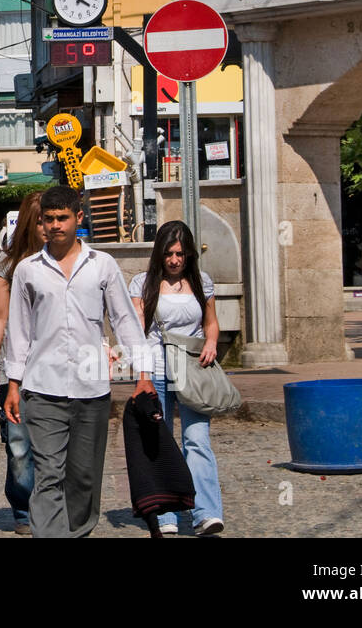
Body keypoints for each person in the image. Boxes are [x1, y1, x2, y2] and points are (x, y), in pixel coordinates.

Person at [4, 186, 155, 538]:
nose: (55, 225)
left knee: (84, 477)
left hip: (91, 388)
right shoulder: (28, 270)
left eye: (62, 218)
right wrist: (13, 384)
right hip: (42, 388)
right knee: (48, 475)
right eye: (49, 219)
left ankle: (77, 532)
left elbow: (123, 320)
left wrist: (143, 373)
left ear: (79, 218)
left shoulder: (102, 265)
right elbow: (19, 330)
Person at [129, 220, 224, 537]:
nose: (174, 260)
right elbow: (136, 333)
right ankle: (166, 515)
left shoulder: (202, 282)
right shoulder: (142, 283)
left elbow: (211, 323)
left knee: (197, 441)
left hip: (193, 369)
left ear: (189, 255)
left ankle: (206, 513)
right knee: (161, 442)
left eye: (180, 254)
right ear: (159, 253)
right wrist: (141, 376)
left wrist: (212, 342)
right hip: (156, 368)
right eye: (168, 253)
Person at [0, 191, 44, 535]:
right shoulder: (8, 263)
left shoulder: (64, 260)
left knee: (54, 443)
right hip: (17, 367)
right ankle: (22, 508)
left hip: (56, 367)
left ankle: (50, 505)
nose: (47, 228)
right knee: (19, 444)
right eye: (40, 221)